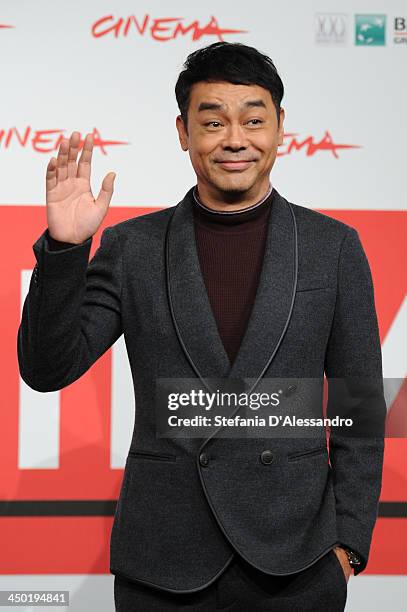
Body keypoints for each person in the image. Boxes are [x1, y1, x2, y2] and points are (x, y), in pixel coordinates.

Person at [17, 42, 386, 611]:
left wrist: (348, 543)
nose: (234, 139)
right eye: (212, 121)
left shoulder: (331, 247)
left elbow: (360, 404)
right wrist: (66, 251)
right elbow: (47, 368)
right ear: (184, 132)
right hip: (164, 560)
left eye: (253, 120)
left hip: (297, 562)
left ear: (281, 127)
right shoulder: (132, 247)